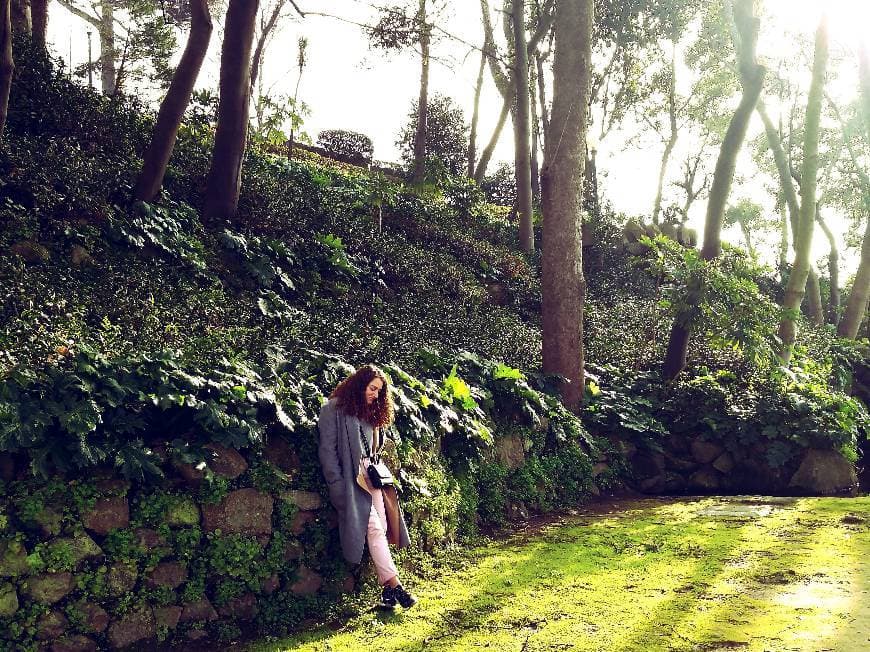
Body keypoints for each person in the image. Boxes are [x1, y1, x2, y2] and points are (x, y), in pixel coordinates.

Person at [317, 364, 417, 609]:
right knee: (372, 527)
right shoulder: (333, 409)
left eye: (380, 392)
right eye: (373, 389)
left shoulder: (371, 412)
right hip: (351, 480)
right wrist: (337, 486)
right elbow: (327, 452)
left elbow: (375, 449)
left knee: (381, 527)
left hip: (372, 477)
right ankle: (397, 587)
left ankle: (387, 594)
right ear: (360, 383)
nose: (375, 395)